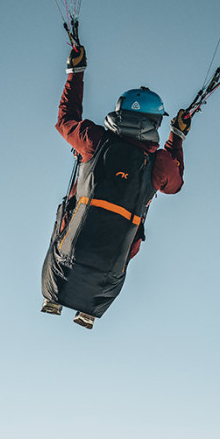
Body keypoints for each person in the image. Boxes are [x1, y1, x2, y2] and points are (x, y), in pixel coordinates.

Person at [40, 42, 190, 329]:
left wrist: (75, 72)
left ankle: (53, 297)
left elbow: (66, 120)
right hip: (109, 273)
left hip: (65, 258)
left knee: (67, 213)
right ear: (155, 122)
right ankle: (89, 310)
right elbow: (175, 184)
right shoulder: (159, 163)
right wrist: (177, 137)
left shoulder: (93, 140)